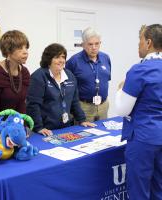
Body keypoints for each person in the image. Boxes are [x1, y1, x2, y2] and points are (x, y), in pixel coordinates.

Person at [115, 24, 162, 200]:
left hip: (144, 138)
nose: (138, 45)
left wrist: (120, 88)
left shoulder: (140, 70)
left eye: (140, 40)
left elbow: (122, 110)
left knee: (139, 190)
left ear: (148, 42)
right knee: (159, 188)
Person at [26, 43, 95, 136]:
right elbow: (33, 105)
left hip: (66, 127)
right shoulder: (38, 77)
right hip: (45, 129)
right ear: (48, 59)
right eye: (57, 57)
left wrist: (82, 120)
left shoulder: (70, 76)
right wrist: (39, 127)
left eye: (63, 57)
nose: (61, 60)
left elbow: (74, 102)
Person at [66, 27, 111, 122]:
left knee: (103, 134)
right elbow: (66, 88)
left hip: (103, 106)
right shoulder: (73, 61)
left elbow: (106, 79)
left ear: (100, 43)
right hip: (83, 107)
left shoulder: (105, 58)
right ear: (83, 45)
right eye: (90, 44)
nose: (94, 47)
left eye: (97, 44)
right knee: (84, 135)